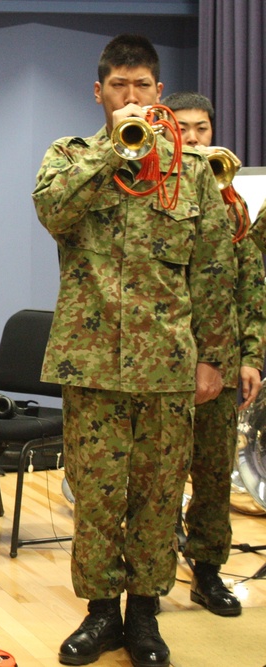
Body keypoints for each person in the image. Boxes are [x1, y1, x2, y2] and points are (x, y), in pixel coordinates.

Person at [33, 35, 236, 667]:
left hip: (168, 363)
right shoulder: (70, 158)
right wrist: (110, 154)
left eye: (142, 86)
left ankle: (145, 613)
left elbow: (213, 271)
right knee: (95, 494)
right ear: (99, 93)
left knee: (155, 494)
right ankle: (100, 615)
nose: (131, 96)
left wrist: (214, 358)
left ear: (158, 91)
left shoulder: (193, 172)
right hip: (91, 362)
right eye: (118, 86)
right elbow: (51, 211)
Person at [162, 90, 265, 617]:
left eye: (203, 128)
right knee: (156, 478)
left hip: (222, 362)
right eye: (184, 127)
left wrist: (250, 357)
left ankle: (206, 572)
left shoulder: (234, 203)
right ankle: (149, 582)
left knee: (211, 474)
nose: (196, 138)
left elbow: (251, 287)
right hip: (162, 364)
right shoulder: (154, 197)